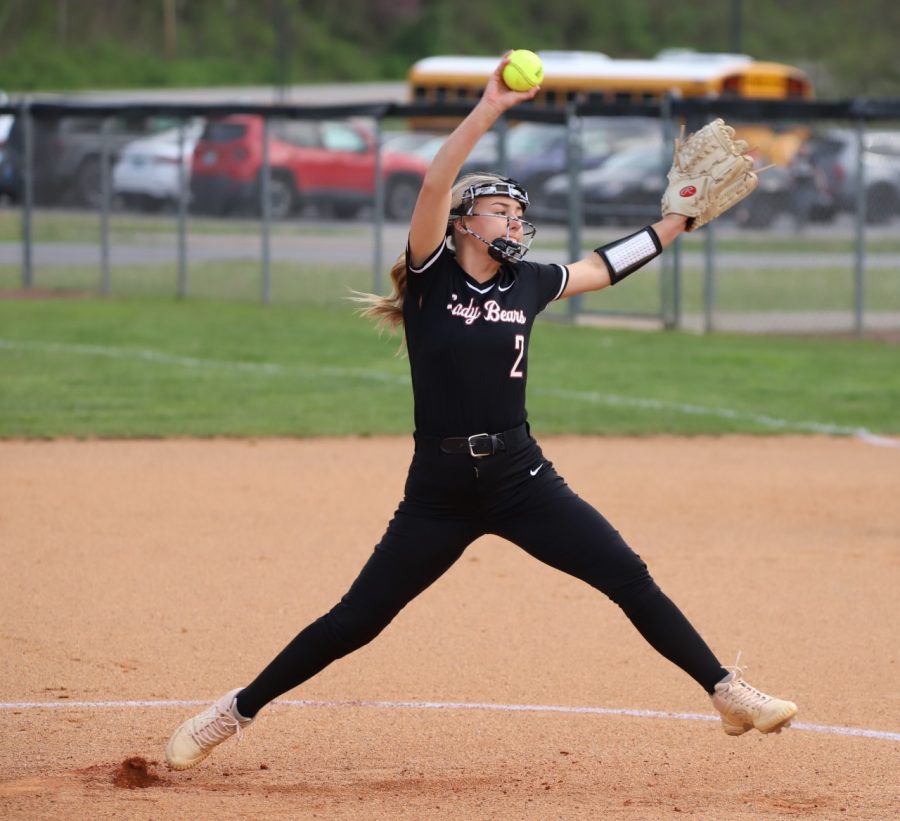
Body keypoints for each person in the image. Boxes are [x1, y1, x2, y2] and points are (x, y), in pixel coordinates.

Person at [165, 53, 797, 771]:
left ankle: (724, 690)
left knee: (626, 572)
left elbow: (603, 265)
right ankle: (233, 711)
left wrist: (675, 220)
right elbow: (436, 178)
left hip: (521, 478)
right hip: (437, 493)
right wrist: (490, 105)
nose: (515, 220)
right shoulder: (432, 275)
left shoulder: (528, 281)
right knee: (357, 619)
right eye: (501, 209)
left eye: (520, 212)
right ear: (465, 224)